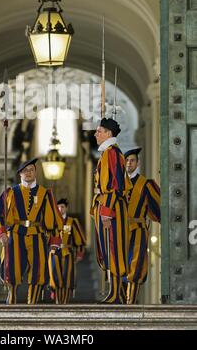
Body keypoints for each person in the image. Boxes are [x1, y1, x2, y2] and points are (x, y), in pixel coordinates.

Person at [0, 157, 63, 304]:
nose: (28, 173)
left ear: (36, 172)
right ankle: (12, 299)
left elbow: (55, 218)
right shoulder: (10, 192)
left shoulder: (45, 193)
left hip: (37, 234)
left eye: (31, 170)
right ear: (20, 174)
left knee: (38, 269)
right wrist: (1, 232)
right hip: (16, 233)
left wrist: (55, 240)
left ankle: (33, 304)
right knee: (12, 268)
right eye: (25, 171)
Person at [90, 118, 132, 304]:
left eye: (99, 131)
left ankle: (116, 293)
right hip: (110, 205)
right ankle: (118, 292)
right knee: (110, 248)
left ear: (108, 134)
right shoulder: (108, 153)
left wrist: (106, 212)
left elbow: (113, 185)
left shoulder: (111, 153)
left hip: (112, 207)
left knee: (113, 248)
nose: (95, 134)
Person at [124, 148, 161, 304]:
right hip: (121, 231)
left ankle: (130, 302)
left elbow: (157, 208)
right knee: (120, 264)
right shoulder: (117, 184)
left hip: (138, 229)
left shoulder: (145, 184)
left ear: (137, 163)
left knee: (137, 264)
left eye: (132, 160)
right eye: (126, 160)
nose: (129, 163)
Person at [48, 198, 86, 304]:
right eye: (58, 207)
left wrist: (79, 253)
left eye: (62, 207)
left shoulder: (72, 222)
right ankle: (57, 301)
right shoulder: (51, 221)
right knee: (55, 277)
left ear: (66, 208)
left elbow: (80, 238)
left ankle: (65, 302)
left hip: (67, 252)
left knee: (67, 278)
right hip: (54, 253)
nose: (60, 209)